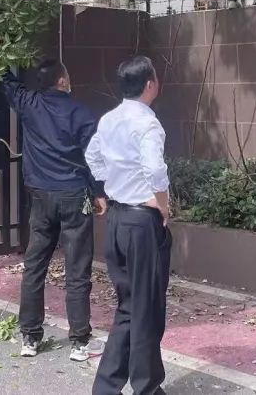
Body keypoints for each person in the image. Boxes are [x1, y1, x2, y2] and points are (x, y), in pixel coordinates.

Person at [0, 24, 106, 362]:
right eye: (68, 77)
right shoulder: (81, 113)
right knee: (77, 269)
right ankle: (79, 342)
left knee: (35, 265)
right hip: (74, 196)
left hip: (41, 197)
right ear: (62, 81)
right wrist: (99, 192)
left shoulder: (28, 103)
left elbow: (5, 76)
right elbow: (94, 158)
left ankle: (30, 337)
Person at [85, 56, 171, 395]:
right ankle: (147, 388)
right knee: (146, 307)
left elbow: (92, 157)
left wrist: (110, 188)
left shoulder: (109, 119)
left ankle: (107, 386)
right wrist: (161, 203)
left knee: (129, 305)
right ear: (150, 84)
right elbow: (155, 169)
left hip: (117, 220)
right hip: (141, 222)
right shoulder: (148, 124)